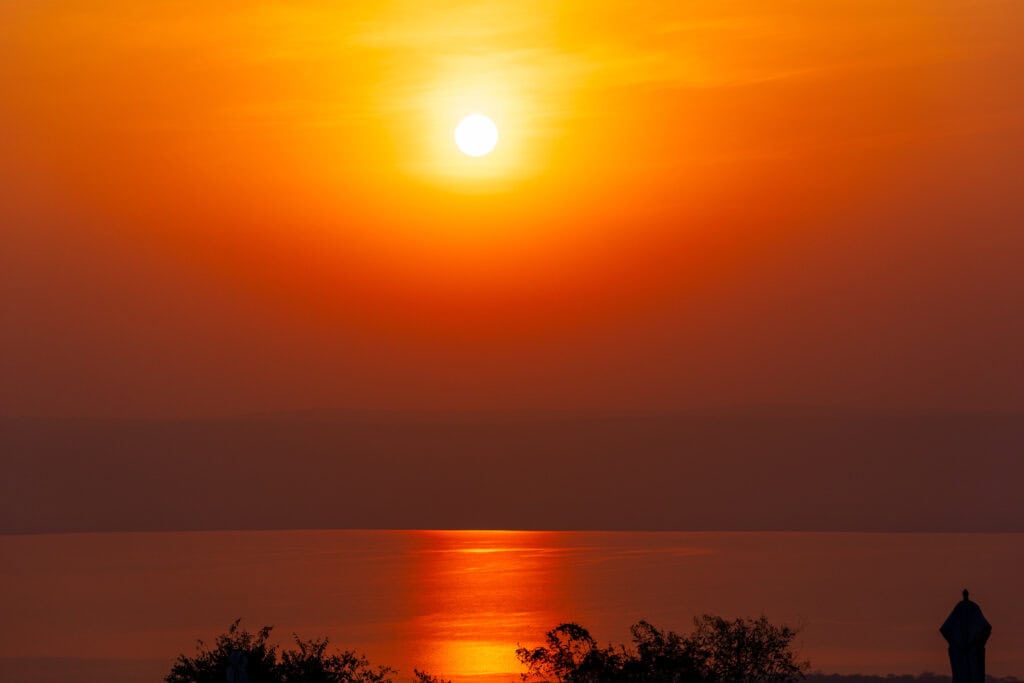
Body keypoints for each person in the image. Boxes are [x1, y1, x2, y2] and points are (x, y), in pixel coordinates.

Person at [940, 589, 991, 683]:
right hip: (963, 653)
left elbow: (986, 628)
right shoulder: (965, 609)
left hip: (970, 653)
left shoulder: (970, 608)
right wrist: (957, 644)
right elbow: (944, 630)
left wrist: (974, 643)